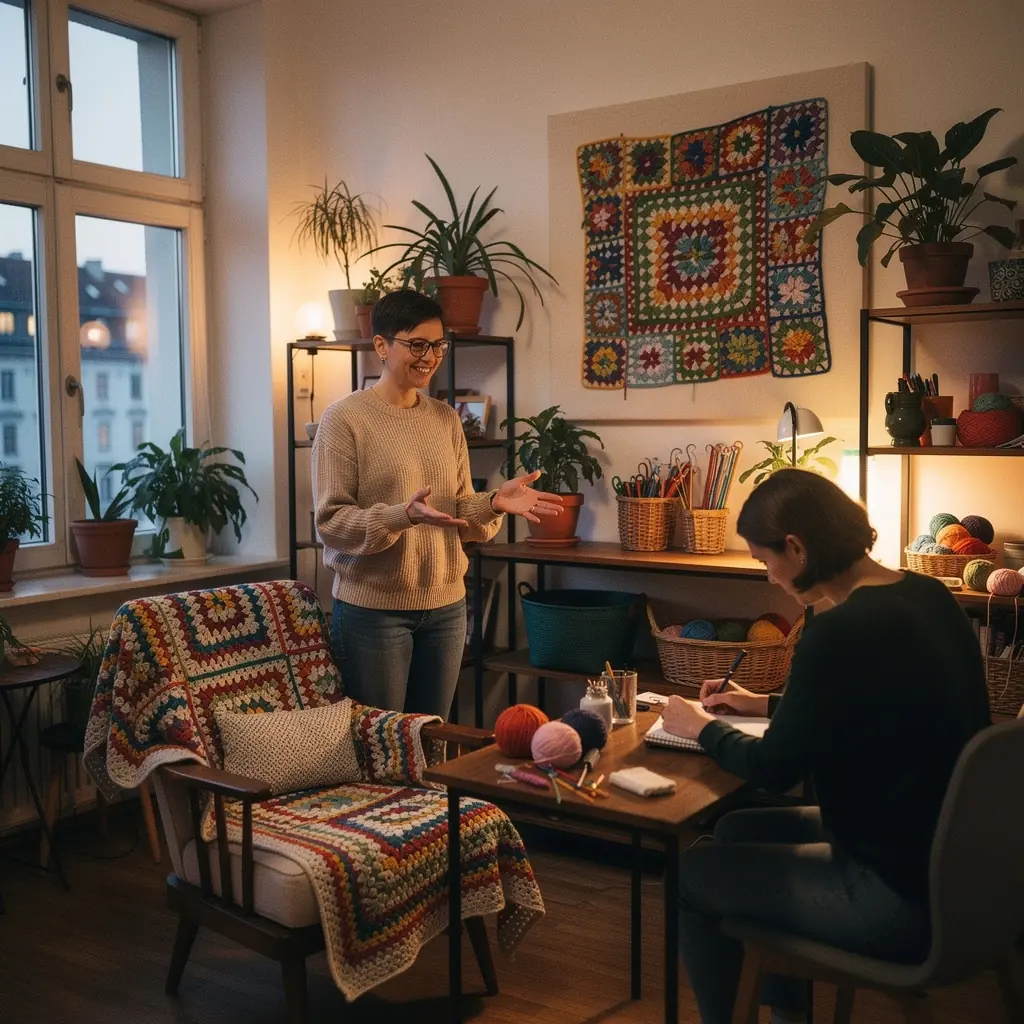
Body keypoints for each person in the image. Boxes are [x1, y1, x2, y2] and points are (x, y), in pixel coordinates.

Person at [660, 469, 991, 1024]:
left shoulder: (837, 631)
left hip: (896, 899)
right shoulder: (926, 596)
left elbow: (771, 767)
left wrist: (698, 726)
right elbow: (870, 705)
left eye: (766, 561)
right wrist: (763, 704)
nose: (769, 578)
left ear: (797, 547)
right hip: (960, 874)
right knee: (736, 830)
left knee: (689, 877)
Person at [312, 289, 563, 718]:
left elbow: (460, 509)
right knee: (383, 749)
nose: (430, 356)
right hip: (373, 614)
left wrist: (495, 504)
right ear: (381, 346)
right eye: (417, 345)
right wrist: (401, 516)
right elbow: (332, 522)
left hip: (447, 608)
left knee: (432, 741)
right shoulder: (344, 420)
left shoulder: (446, 418)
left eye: (438, 345)